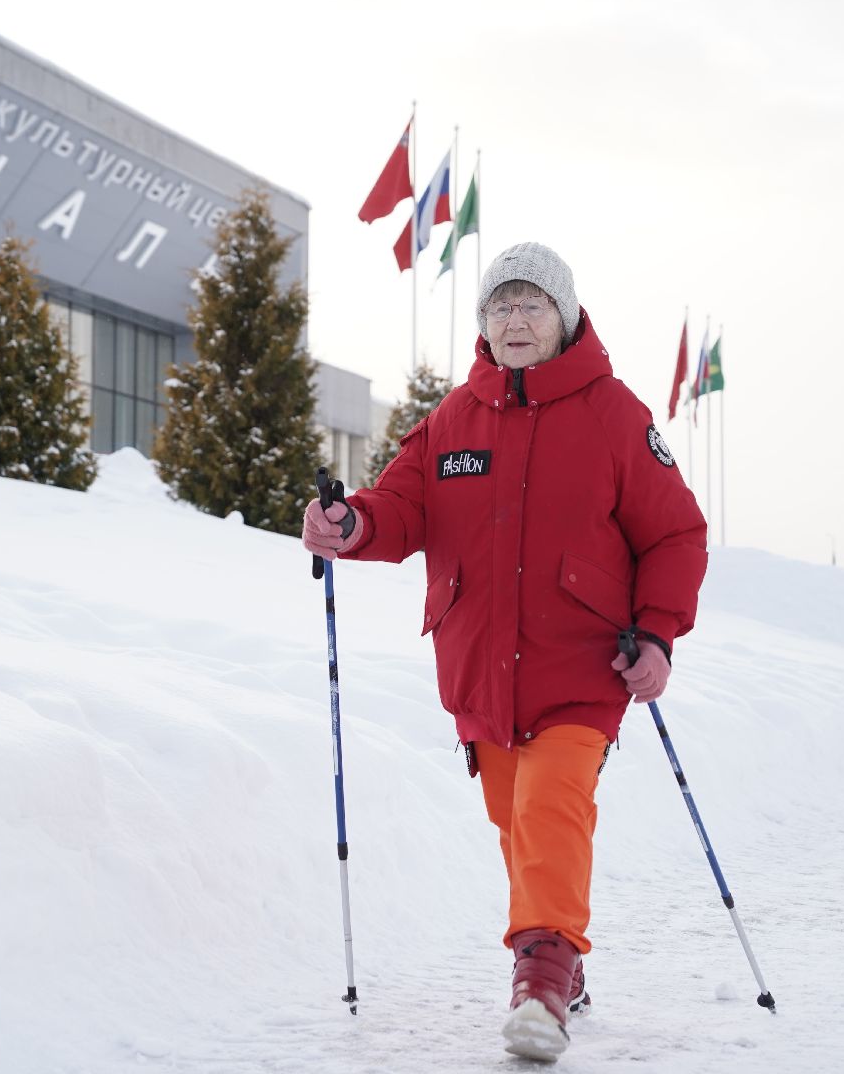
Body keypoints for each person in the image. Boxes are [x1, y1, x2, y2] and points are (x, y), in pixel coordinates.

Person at [302, 243, 708, 1062]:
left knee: (549, 806)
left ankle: (543, 982)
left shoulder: (613, 414)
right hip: (481, 673)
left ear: (563, 318)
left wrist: (659, 634)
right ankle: (563, 954)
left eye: (531, 305)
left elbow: (675, 533)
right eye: (500, 307)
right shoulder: (454, 419)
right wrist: (353, 526)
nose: (515, 320)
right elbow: (400, 506)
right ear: (484, 324)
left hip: (583, 670)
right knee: (518, 827)